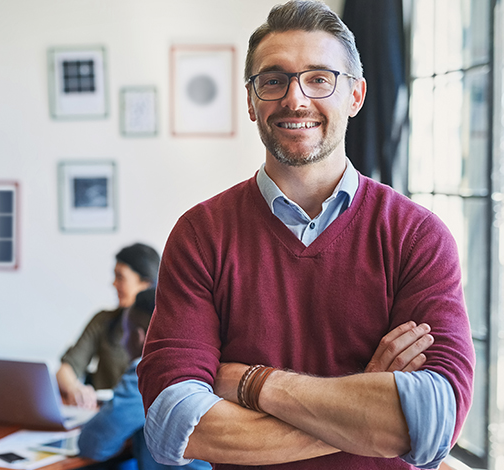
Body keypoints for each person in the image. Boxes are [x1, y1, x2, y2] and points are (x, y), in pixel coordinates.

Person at [137, 2, 475, 470]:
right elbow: (173, 423)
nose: (295, 99)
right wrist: (365, 401)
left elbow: (433, 422)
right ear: (252, 102)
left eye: (320, 78)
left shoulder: (416, 236)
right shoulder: (200, 236)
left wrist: (255, 384)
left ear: (355, 96)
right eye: (273, 80)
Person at [79, 288, 209, 470]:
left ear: (139, 337)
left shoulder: (148, 374)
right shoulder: (201, 365)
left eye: (124, 333)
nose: (123, 342)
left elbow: (93, 445)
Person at [57, 243, 160, 408]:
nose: (114, 284)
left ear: (145, 284)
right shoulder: (103, 320)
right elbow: (66, 368)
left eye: (120, 277)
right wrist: (75, 389)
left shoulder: (168, 329)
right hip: (103, 413)